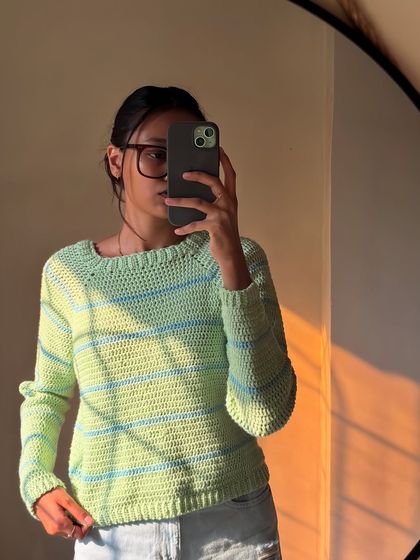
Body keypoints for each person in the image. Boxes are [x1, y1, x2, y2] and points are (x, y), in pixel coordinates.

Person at [18, 85, 297, 559]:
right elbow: (47, 393)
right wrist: (36, 480)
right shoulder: (69, 275)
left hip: (231, 528)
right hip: (111, 532)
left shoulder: (240, 260)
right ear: (115, 160)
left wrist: (230, 261)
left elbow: (264, 413)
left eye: (188, 155)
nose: (172, 171)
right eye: (155, 154)